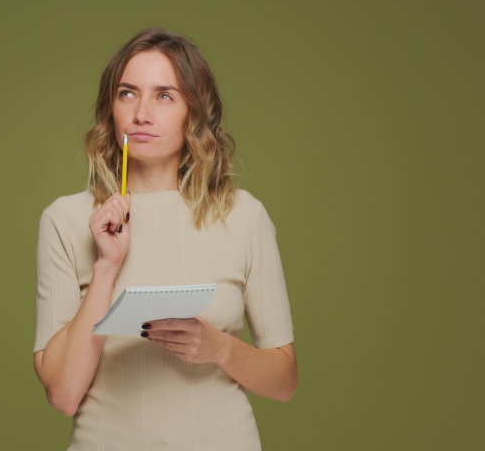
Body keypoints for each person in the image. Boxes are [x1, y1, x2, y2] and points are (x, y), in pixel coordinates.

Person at [33, 28, 298, 450]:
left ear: (194, 112)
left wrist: (220, 348)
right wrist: (106, 268)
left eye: (164, 95)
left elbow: (284, 381)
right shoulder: (65, 221)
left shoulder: (244, 216)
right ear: (110, 110)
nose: (141, 113)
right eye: (127, 93)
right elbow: (63, 395)